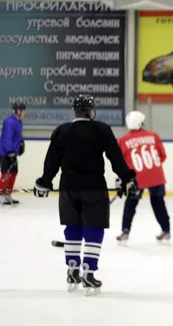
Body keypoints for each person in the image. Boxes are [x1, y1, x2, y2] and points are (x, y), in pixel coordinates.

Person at [33, 94, 139, 295]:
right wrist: (127, 179)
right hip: (94, 187)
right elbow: (115, 157)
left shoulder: (61, 131)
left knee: (72, 226)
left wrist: (44, 183)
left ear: (74, 111)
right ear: (92, 111)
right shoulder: (101, 129)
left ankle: (72, 270)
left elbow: (51, 162)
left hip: (68, 188)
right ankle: (89, 274)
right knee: (93, 228)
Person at [115, 110, 171, 245]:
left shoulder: (122, 141)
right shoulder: (153, 136)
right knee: (158, 203)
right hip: (156, 176)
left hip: (136, 178)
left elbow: (119, 164)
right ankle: (166, 230)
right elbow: (162, 156)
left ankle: (125, 231)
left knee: (131, 203)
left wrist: (120, 181)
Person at [0, 102, 26, 206]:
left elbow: (17, 136)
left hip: (13, 153)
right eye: (23, 111)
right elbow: (7, 138)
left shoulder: (19, 122)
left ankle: (8, 195)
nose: (25, 113)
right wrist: (10, 151)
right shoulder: (10, 122)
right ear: (17, 111)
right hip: (6, 153)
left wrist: (21, 144)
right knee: (6, 174)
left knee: (14, 173)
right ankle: (2, 196)